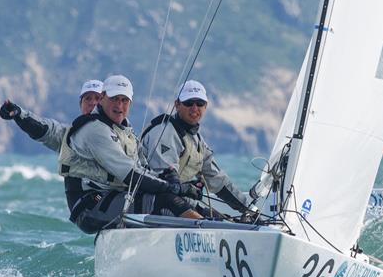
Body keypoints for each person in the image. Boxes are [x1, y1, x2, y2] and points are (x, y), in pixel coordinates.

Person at [58, 75, 202, 233]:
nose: (119, 105)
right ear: (102, 98)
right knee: (168, 201)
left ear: (130, 103)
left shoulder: (125, 132)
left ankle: (218, 223)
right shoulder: (95, 129)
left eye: (124, 100)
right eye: (114, 99)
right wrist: (175, 188)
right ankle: (206, 231)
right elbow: (131, 175)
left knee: (187, 202)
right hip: (90, 207)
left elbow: (144, 170)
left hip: (112, 197)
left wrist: (170, 179)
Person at [139, 80, 256, 219]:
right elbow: (166, 181)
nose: (194, 108)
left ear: (205, 106)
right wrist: (189, 188)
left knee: (224, 220)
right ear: (177, 105)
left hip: (177, 201)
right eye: (189, 103)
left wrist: (248, 210)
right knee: (210, 223)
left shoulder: (197, 141)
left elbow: (217, 180)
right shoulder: (165, 131)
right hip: (151, 202)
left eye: (199, 103)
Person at [0, 80, 104, 152]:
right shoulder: (70, 138)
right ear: (80, 105)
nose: (93, 103)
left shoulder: (118, 135)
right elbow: (44, 129)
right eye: (88, 99)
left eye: (98, 98)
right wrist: (19, 114)